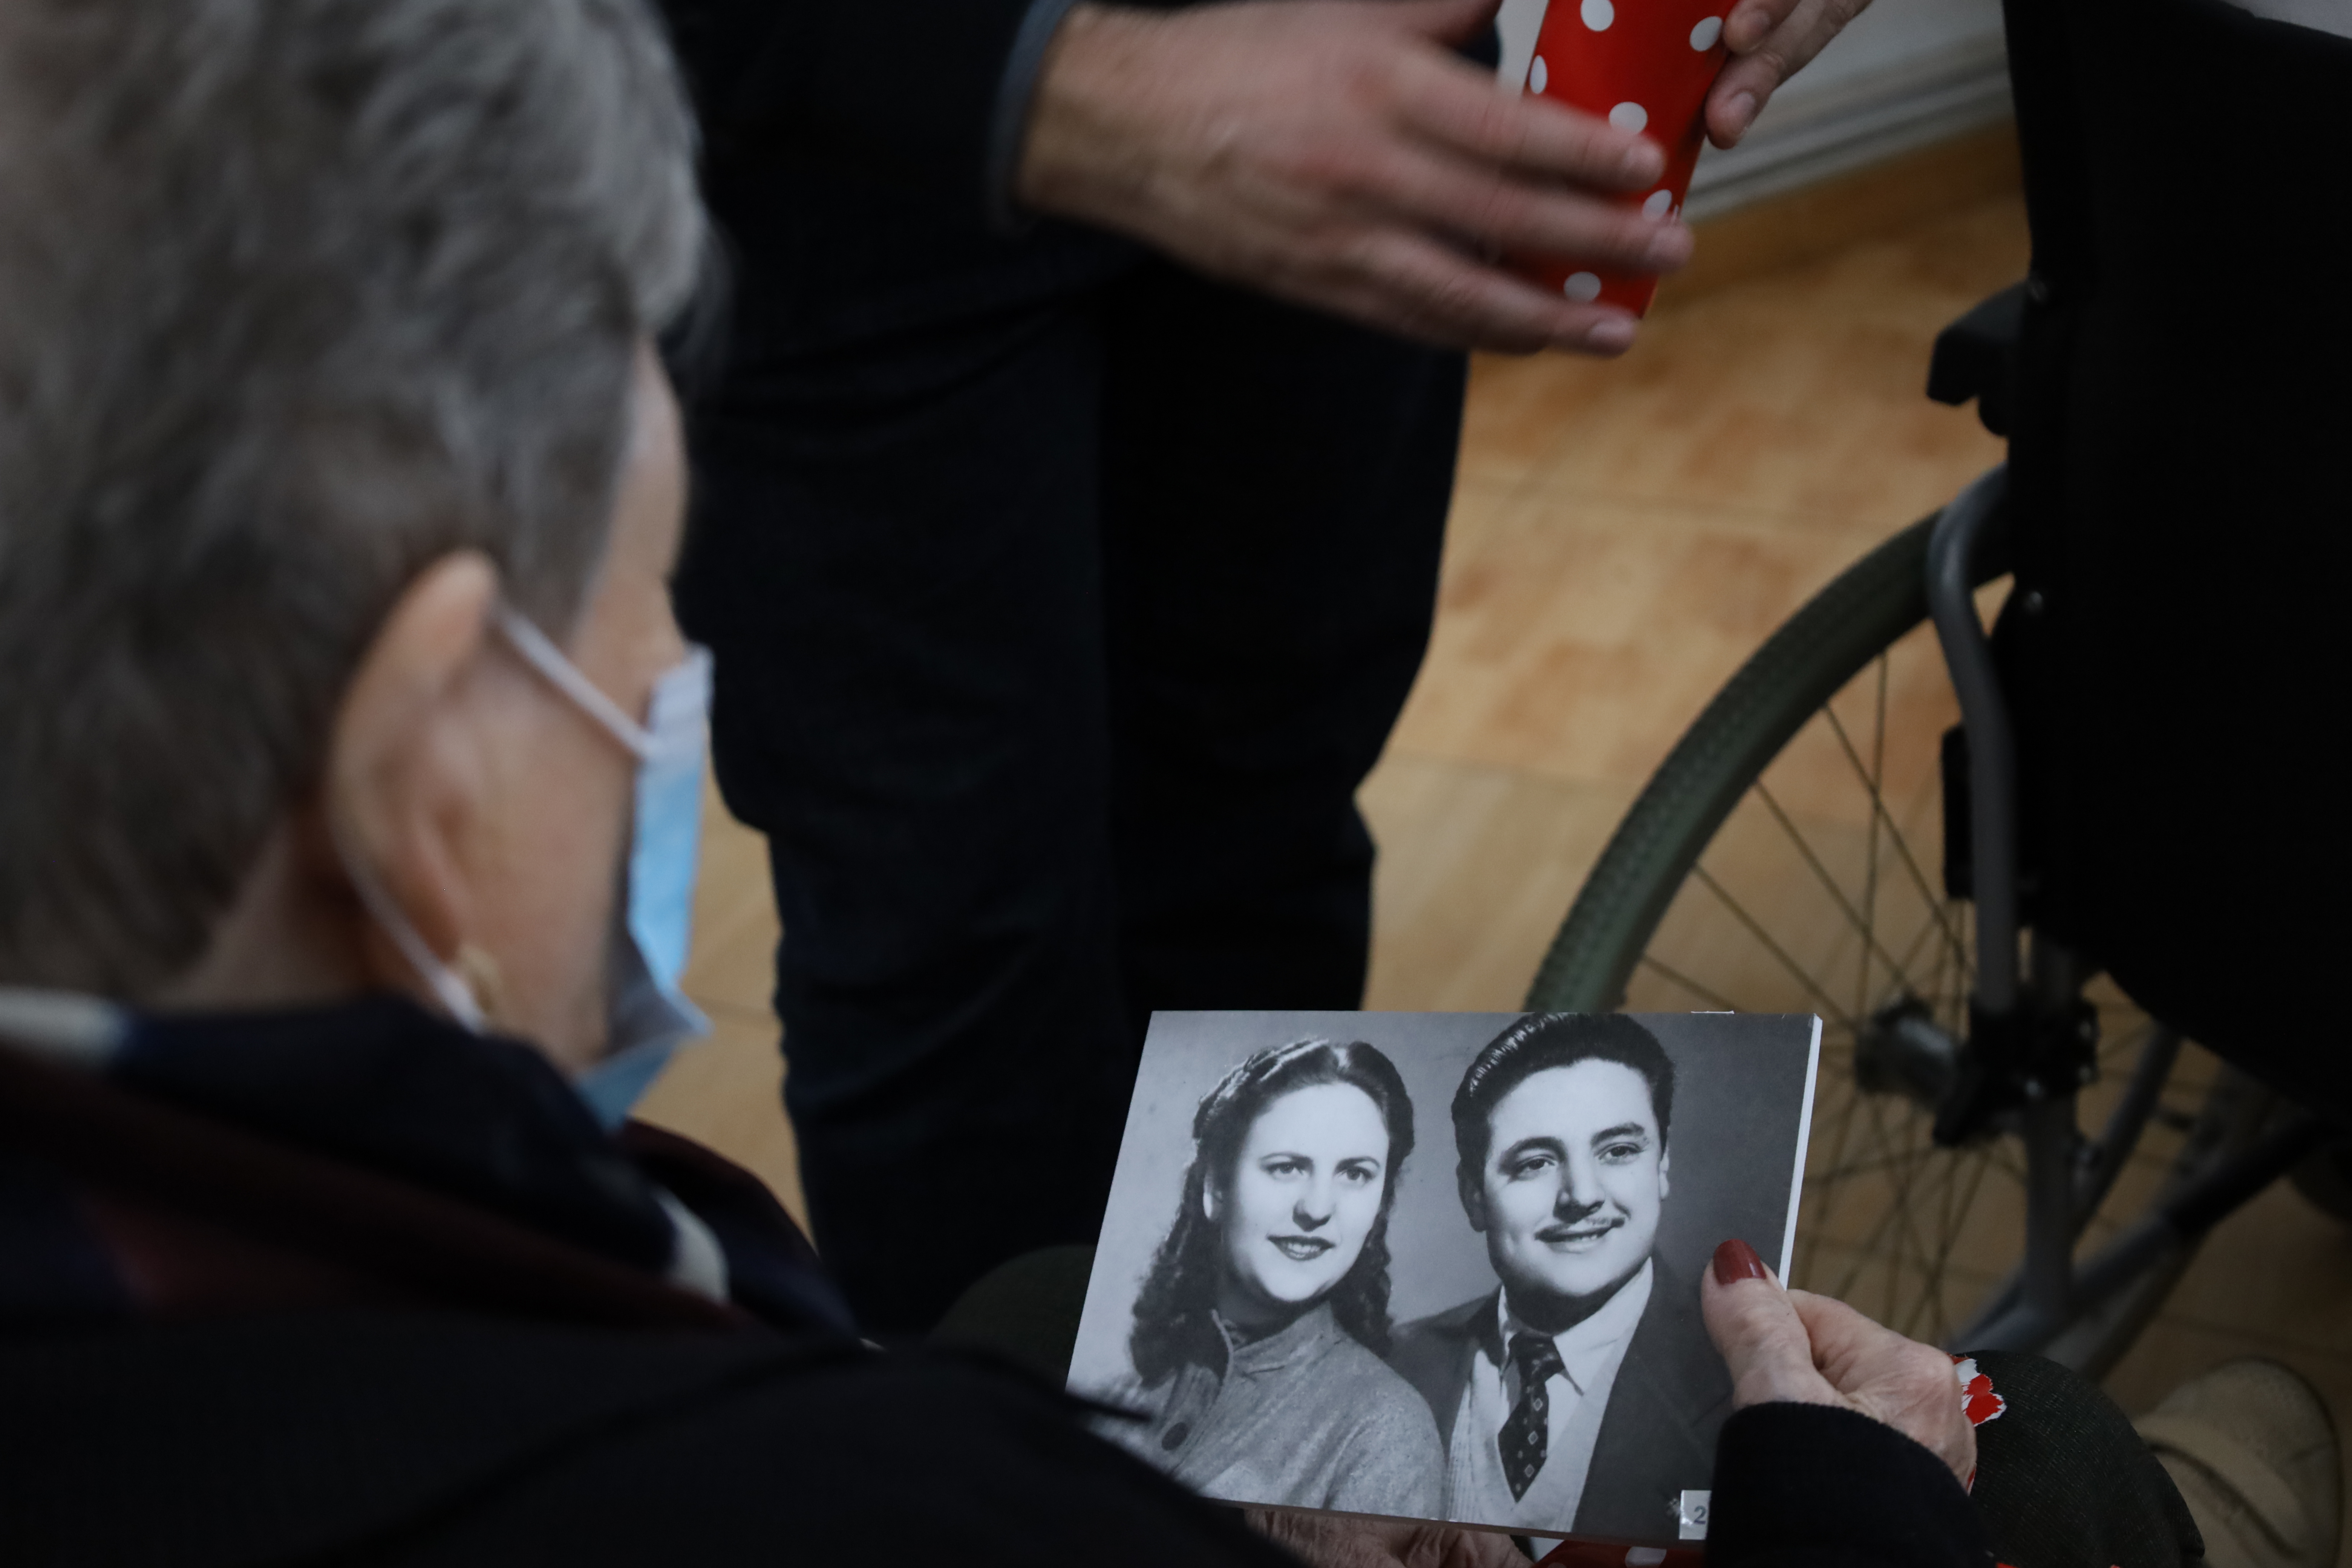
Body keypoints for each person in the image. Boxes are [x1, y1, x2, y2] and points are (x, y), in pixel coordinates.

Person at [0, 1, 2301, 1563]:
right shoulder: (861, 1481)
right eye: (637, 613)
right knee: (2057, 1474)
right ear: (418, 767)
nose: (665, 675)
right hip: (874, 169)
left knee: (1221, 893)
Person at [656, 0, 1882, 1335]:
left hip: (1356, 79)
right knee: (949, 949)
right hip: (848, 151)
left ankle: (1230, 1424)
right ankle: (999, 1447)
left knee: (1260, 842)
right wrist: (1044, 80)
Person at [1389, 1014, 1727, 1536]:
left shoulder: (1742, 1384)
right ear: (1473, 1196)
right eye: (1535, 1162)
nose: (1583, 1196)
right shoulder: (1393, 1366)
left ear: (1661, 1166)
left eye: (1619, 1151)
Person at [1098, 1038, 1444, 1513]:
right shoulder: (1115, 1399)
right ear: (1216, 1186)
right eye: (1287, 1167)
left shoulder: (1384, 1431)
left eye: (1355, 1174)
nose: (1317, 1208)